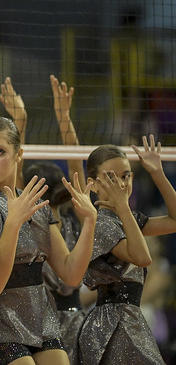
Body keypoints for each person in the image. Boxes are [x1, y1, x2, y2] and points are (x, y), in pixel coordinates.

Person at [0, 116, 97, 365]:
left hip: (41, 318)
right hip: (0, 322)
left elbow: (70, 274)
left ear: (19, 154)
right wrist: (13, 224)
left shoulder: (36, 203)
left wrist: (90, 221)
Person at [78, 134, 176, 364]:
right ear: (93, 185)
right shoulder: (101, 223)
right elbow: (142, 258)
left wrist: (157, 173)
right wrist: (123, 208)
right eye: (111, 178)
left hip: (129, 319)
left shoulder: (127, 220)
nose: (121, 184)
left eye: (126, 176)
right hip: (111, 325)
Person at [21, 75, 87, 365]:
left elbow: (76, 165)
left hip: (72, 319)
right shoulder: (28, 223)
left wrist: (64, 119)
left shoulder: (76, 217)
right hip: (37, 321)